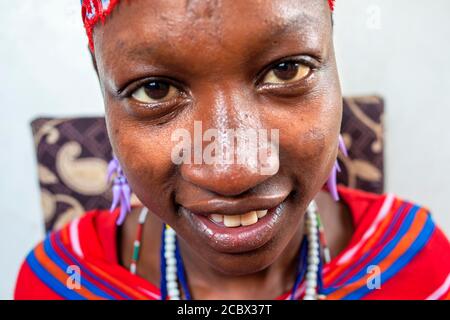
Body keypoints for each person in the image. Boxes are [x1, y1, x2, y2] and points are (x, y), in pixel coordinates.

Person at [14, 0, 450, 300]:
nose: (233, 170)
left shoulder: (413, 264)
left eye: (286, 69)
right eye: (155, 88)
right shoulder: (61, 283)